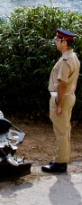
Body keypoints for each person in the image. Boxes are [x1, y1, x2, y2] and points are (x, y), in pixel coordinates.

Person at [42, 28, 80, 173]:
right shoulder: (73, 57)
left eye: (58, 40)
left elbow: (62, 84)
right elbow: (72, 81)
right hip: (69, 96)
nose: (56, 42)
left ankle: (60, 163)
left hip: (61, 99)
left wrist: (58, 105)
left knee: (61, 132)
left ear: (64, 42)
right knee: (64, 131)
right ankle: (61, 158)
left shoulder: (65, 60)